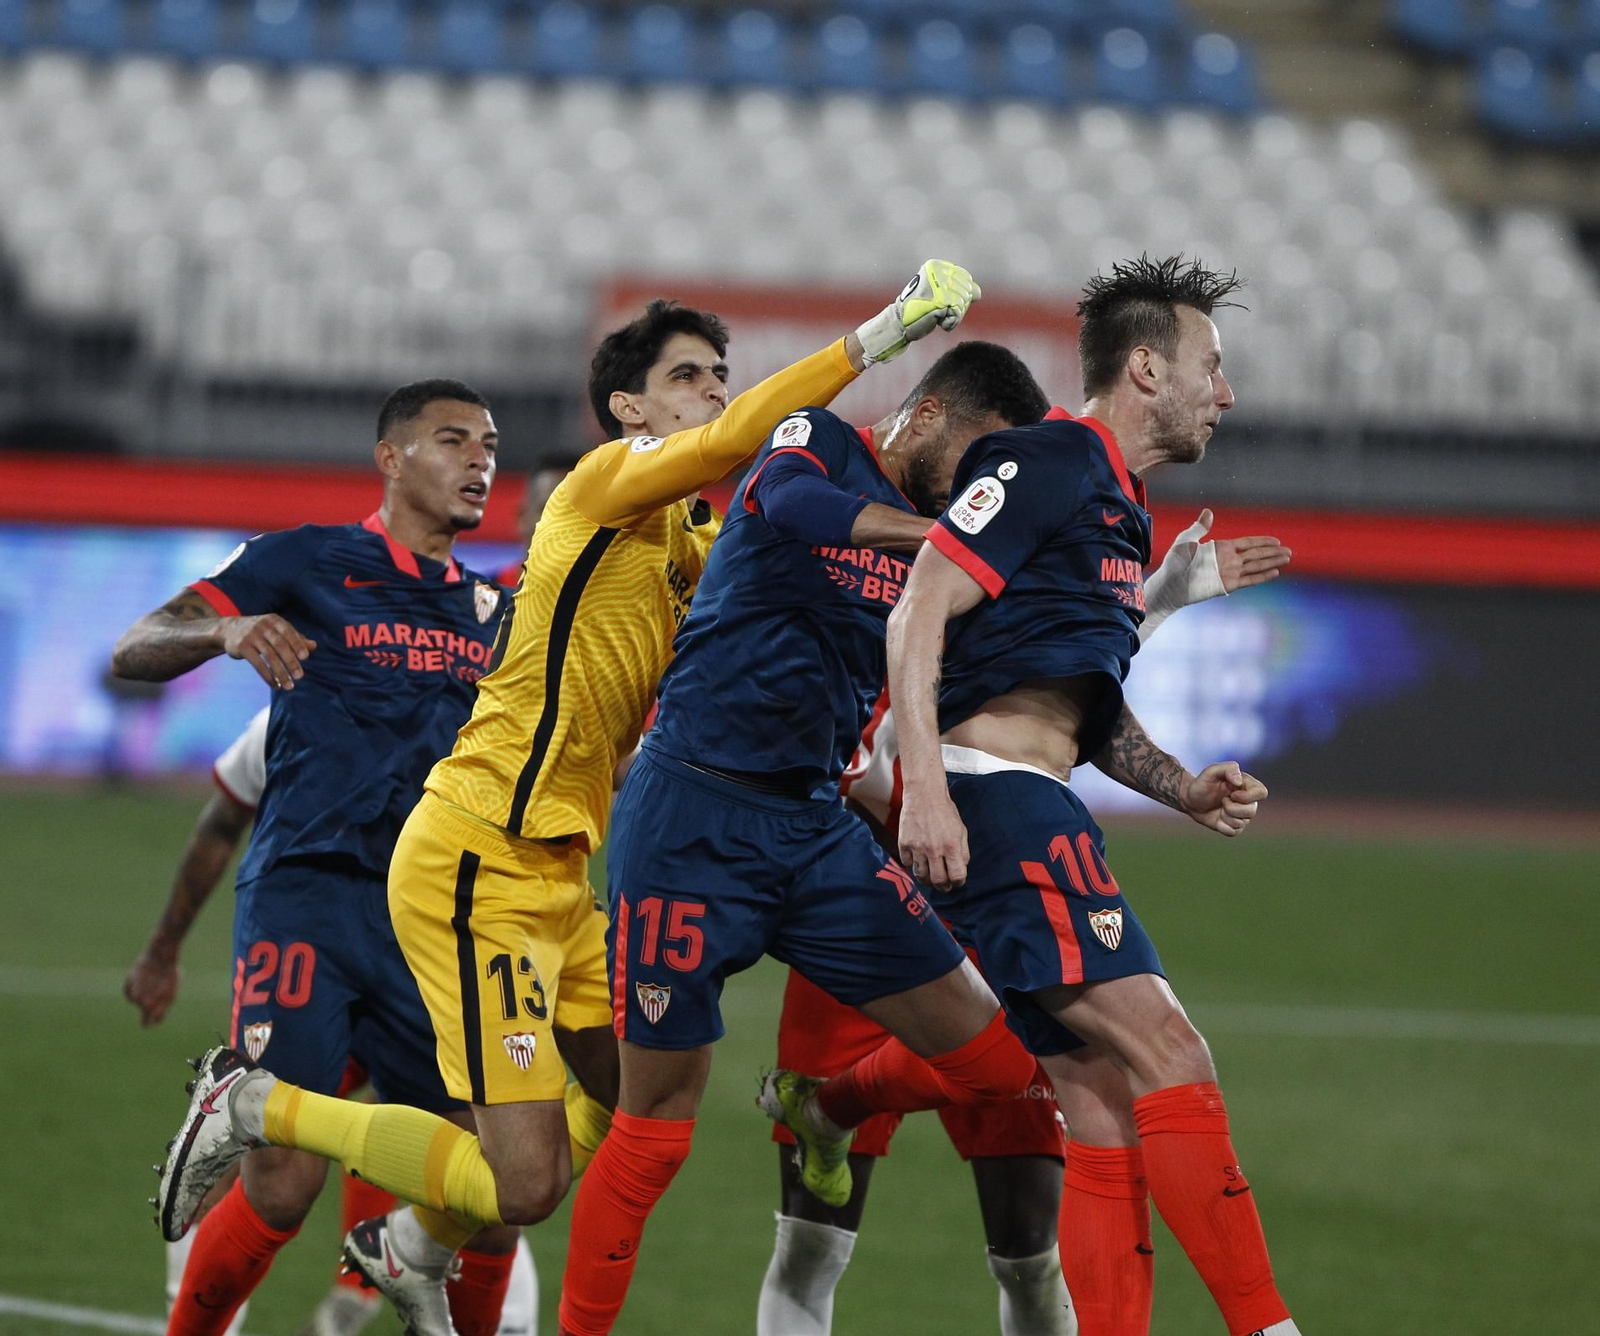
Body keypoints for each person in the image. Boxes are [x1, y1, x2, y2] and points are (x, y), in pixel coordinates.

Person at [149, 262, 982, 1336]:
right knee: (527, 1185)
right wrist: (876, 339)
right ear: (630, 408)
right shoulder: (600, 482)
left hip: (557, 872)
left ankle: (412, 1244)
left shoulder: (695, 548)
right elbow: (739, 448)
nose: (714, 392)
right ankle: (256, 1106)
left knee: (630, 1098)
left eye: (721, 375)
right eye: (688, 376)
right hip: (479, 854)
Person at [773, 256, 1303, 1336]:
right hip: (998, 806)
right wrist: (923, 784)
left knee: (1097, 1098)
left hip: (1019, 794)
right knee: (1169, 1052)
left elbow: (1081, 709)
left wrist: (1180, 785)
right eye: (1213, 363)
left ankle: (833, 1106)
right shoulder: (1048, 460)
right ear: (1147, 366)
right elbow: (918, 606)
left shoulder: (1118, 507)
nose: (1227, 390)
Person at [556, 338, 1062, 1336]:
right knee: (651, 1133)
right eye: (974, 462)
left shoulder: (934, 567)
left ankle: (824, 1105)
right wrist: (932, 536)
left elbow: (1042, 654)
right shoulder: (818, 443)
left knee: (1001, 1065)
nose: (977, 491)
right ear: (921, 420)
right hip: (690, 813)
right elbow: (787, 502)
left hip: (811, 825)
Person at [119, 379, 527, 1336]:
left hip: (432, 922)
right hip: (310, 896)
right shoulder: (303, 560)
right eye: (454, 440)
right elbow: (137, 644)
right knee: (285, 1184)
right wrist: (224, 629)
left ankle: (402, 1275)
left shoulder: (499, 609)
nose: (481, 461)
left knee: (498, 1178)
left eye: (490, 444)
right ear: (390, 458)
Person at [123, 708, 539, 1336]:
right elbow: (224, 816)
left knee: (497, 1178)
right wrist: (162, 950)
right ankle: (228, 1313)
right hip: (317, 957)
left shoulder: (480, 707)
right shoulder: (297, 705)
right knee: (252, 1159)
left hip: (426, 961)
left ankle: (373, 1287)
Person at [494, 450, 585, 588]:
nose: (562, 523)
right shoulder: (475, 601)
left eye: (575, 512)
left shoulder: (613, 602)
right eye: (548, 509)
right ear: (522, 518)